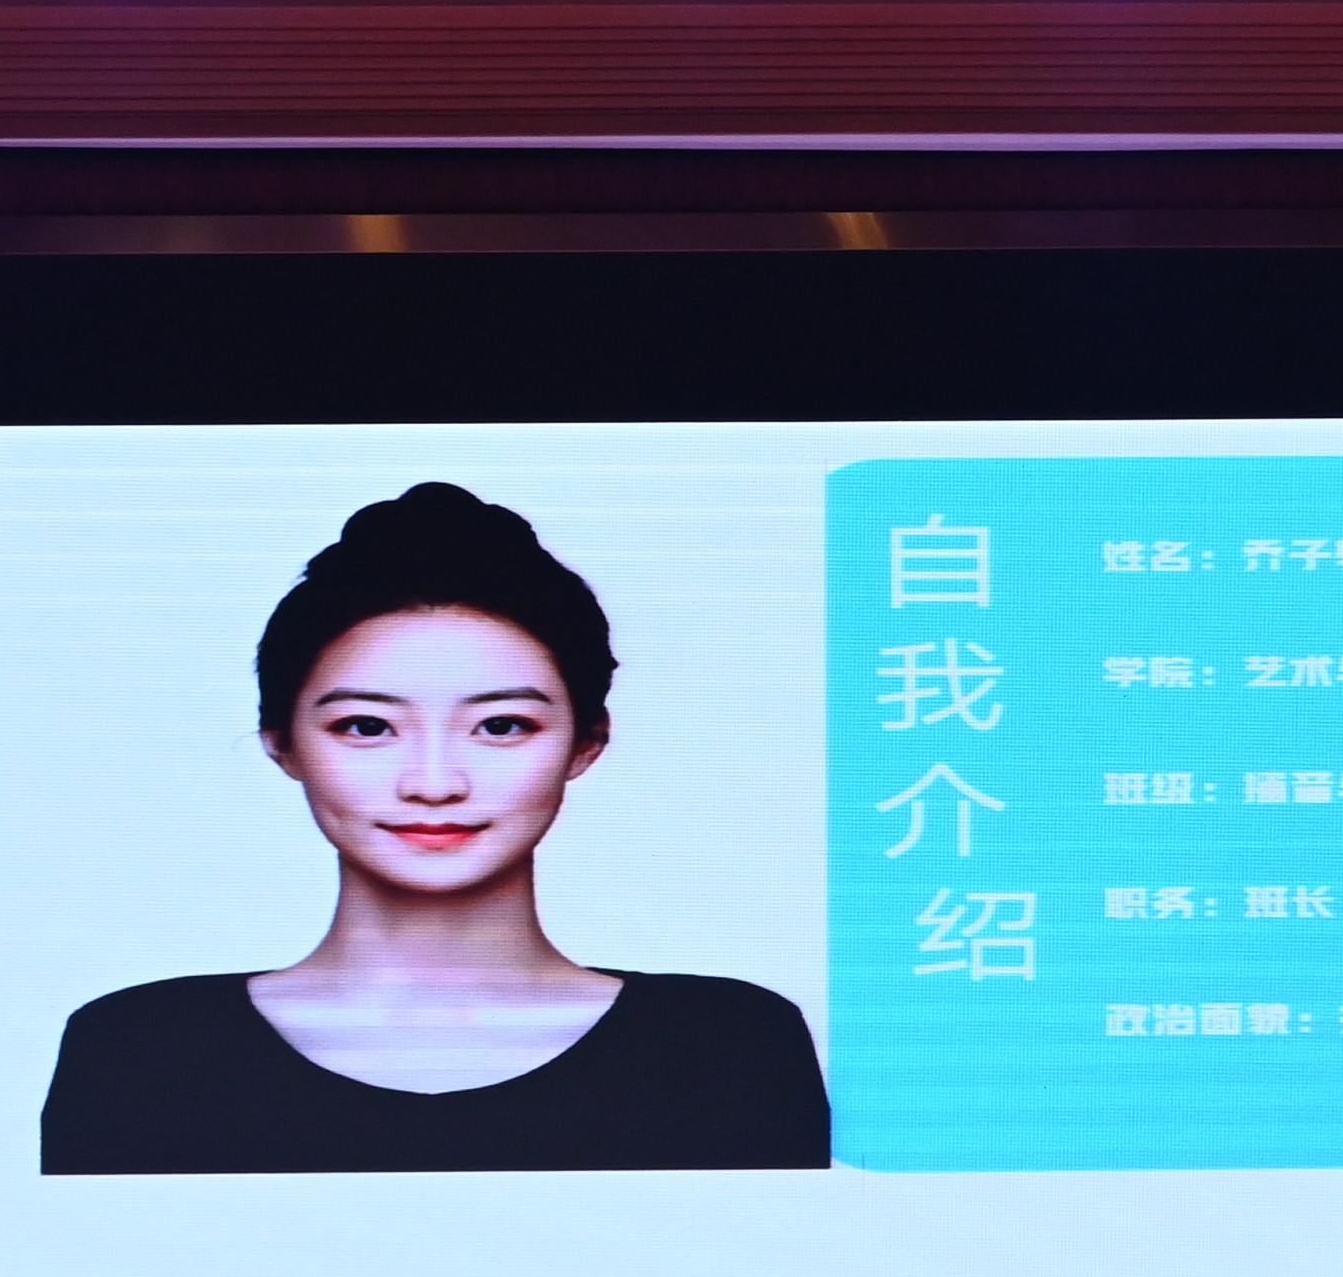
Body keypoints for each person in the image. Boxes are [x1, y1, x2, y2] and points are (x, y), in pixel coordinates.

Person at [44, 483, 829, 1172]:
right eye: (365, 727)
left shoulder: (728, 1048)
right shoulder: (138, 1052)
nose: (433, 784)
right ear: (281, 743)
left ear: (586, 743)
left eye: (502, 726)